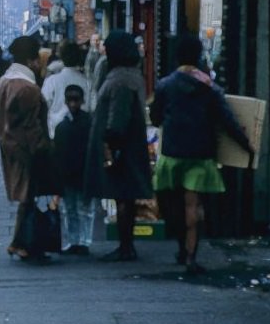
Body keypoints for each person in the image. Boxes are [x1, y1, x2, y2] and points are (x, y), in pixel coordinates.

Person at [150, 34, 253, 275]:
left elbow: (155, 118)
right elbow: (228, 121)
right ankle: (191, 257)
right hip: (201, 153)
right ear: (198, 57)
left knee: (172, 203)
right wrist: (246, 145)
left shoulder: (165, 85)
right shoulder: (210, 88)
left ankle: (180, 248)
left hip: (173, 152)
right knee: (193, 206)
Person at [84, 31, 153, 262]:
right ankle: (126, 245)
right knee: (125, 197)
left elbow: (117, 116)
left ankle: (126, 247)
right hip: (128, 144)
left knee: (123, 195)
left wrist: (110, 142)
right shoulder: (131, 75)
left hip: (120, 146)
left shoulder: (120, 79)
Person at [0, 36, 54, 262]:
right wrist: (43, 149)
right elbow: (31, 125)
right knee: (28, 196)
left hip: (10, 145)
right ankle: (23, 244)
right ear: (31, 60)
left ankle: (20, 242)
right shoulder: (27, 87)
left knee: (26, 197)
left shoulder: (6, 80)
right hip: (25, 149)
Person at [54, 84, 93, 255]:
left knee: (72, 208)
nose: (73, 103)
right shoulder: (89, 122)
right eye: (70, 100)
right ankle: (81, 240)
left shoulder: (62, 126)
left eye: (75, 100)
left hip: (71, 172)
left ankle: (76, 240)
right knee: (79, 208)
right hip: (81, 171)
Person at [41, 40, 90, 139]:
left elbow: (43, 107)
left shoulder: (51, 81)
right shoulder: (87, 82)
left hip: (55, 135)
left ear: (61, 57)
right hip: (81, 135)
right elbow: (91, 107)